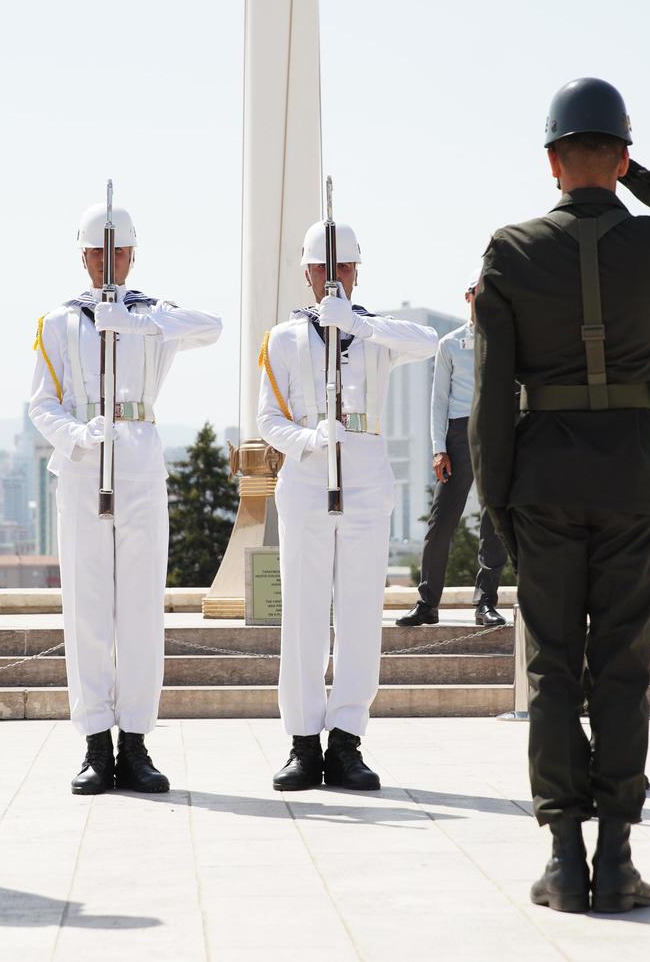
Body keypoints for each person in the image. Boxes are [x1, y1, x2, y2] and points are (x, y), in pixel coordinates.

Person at [472, 77, 650, 913]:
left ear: (553, 161)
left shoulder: (510, 250)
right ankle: (618, 860)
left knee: (555, 671)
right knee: (623, 672)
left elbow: (492, 395)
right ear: (622, 157)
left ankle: (564, 861)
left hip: (542, 486)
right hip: (632, 483)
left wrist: (499, 504)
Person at [29, 200, 221, 795]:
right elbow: (41, 403)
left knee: (140, 607)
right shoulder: (59, 322)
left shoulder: (153, 315)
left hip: (138, 458)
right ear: (82, 257)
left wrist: (138, 323)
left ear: (133, 255)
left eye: (118, 253)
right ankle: (94, 745)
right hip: (86, 460)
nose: (108, 262)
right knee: (86, 608)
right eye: (98, 253)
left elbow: (210, 327)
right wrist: (77, 435)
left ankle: (135, 742)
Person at [257, 219, 438, 791]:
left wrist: (355, 322)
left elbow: (427, 342)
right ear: (308, 274)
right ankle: (304, 743)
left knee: (359, 614)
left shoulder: (376, 333)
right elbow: (267, 420)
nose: (334, 278)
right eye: (324, 269)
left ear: (357, 272)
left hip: (363, 473)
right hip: (310, 473)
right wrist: (308, 441)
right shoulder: (284, 339)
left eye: (344, 269)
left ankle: (347, 741)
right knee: (305, 615)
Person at [397, 276, 507, 629]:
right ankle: (427, 603)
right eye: (480, 295)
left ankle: (486, 602)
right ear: (468, 297)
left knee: (495, 522)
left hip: (495, 431)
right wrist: (437, 448)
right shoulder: (449, 344)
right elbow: (438, 401)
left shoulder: (507, 341)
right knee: (441, 521)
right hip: (458, 434)